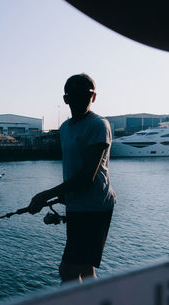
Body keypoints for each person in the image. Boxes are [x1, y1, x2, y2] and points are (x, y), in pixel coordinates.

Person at [28, 73, 116, 283]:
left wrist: (44, 195)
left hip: (95, 207)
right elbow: (74, 167)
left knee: (67, 271)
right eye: (74, 94)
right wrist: (65, 196)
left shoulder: (98, 126)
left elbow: (87, 177)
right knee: (85, 269)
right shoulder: (65, 128)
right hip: (77, 205)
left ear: (93, 97)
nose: (80, 99)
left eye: (86, 95)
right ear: (66, 98)